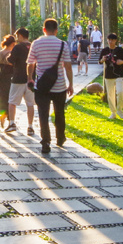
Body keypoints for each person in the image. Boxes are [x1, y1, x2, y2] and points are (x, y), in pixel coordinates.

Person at [27, 18, 75, 154]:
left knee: (43, 114)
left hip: (42, 86)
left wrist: (30, 78)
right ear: (56, 30)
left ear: (44, 29)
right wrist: (70, 84)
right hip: (59, 86)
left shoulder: (36, 43)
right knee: (59, 113)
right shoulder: (62, 44)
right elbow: (68, 67)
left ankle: (46, 142)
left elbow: (30, 64)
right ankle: (60, 138)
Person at [6, 27, 35, 135]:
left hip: (18, 78)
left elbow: (10, 60)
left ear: (21, 36)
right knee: (30, 104)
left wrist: (8, 57)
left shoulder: (17, 47)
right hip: (31, 79)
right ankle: (30, 126)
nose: (17, 39)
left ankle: (12, 123)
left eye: (17, 36)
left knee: (12, 102)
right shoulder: (33, 46)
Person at [100, 33, 123, 120]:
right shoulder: (105, 50)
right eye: (109, 40)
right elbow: (100, 61)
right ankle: (113, 112)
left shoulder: (120, 50)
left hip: (119, 75)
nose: (110, 41)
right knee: (110, 94)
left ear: (115, 41)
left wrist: (121, 62)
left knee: (120, 92)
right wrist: (103, 59)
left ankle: (120, 109)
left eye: (112, 40)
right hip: (108, 75)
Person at [0, 34, 15, 129]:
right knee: (10, 99)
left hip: (0, 78)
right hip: (10, 78)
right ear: (13, 43)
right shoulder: (12, 53)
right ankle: (10, 119)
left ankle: (2, 114)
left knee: (1, 97)